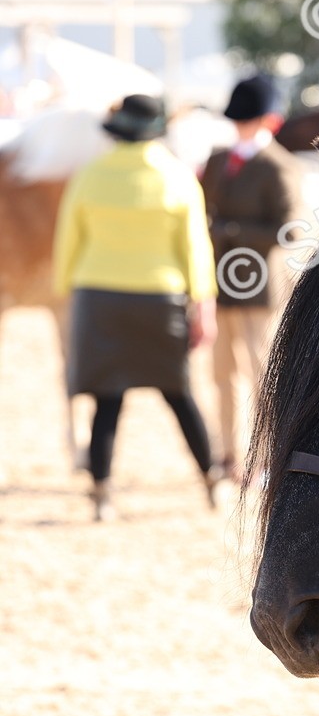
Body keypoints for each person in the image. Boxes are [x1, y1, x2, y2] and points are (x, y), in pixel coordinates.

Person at [54, 94, 220, 521]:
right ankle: (210, 484)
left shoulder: (89, 176)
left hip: (98, 297)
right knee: (179, 394)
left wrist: (67, 294)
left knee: (107, 400)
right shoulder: (177, 177)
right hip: (159, 298)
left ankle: (101, 493)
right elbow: (195, 248)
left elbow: (68, 242)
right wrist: (203, 303)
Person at [200, 73, 305, 483]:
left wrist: (228, 231)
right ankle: (228, 455)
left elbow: (289, 230)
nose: (241, 128)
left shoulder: (278, 165)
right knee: (220, 374)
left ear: (268, 121)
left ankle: (265, 458)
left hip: (258, 284)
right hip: (218, 282)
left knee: (260, 375)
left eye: (248, 121)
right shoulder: (217, 160)